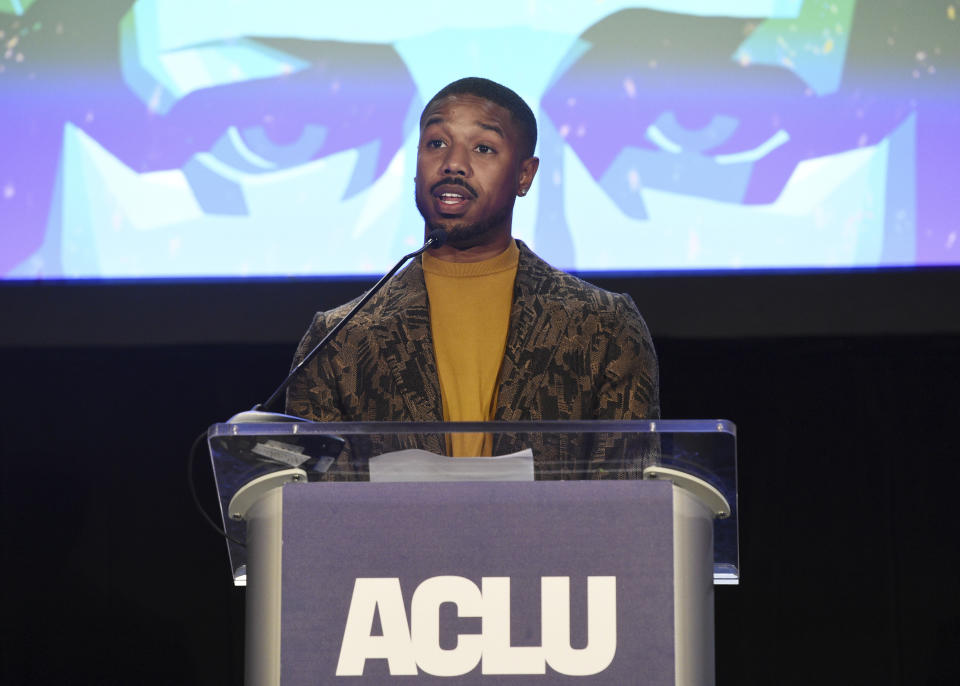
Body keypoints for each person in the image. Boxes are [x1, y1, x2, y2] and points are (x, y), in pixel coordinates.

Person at [286, 77, 659, 477]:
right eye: (436, 144)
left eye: (483, 148)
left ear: (525, 175)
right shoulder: (339, 337)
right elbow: (321, 516)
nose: (453, 164)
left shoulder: (602, 326)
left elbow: (625, 503)